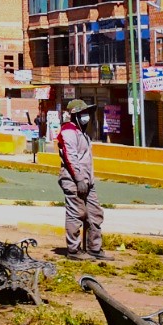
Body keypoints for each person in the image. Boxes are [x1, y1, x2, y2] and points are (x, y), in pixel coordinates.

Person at [57, 99, 108, 261]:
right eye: (83, 113)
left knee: (95, 214)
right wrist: (79, 179)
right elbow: (71, 158)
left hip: (87, 181)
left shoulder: (82, 133)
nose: (86, 116)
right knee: (76, 214)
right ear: (75, 115)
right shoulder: (68, 132)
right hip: (74, 181)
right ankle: (74, 250)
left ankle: (94, 248)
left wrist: (87, 180)